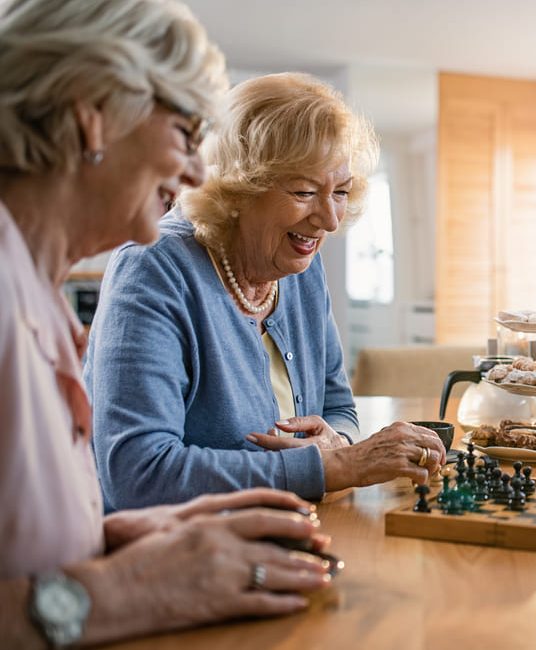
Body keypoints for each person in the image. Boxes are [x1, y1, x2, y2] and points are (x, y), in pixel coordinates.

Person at [0, 0, 335, 645]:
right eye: (185, 132)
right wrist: (123, 588)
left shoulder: (35, 291)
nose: (199, 173)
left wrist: (110, 539)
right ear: (92, 117)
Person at [85, 72, 446, 510]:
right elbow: (137, 474)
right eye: (305, 191)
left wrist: (339, 442)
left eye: (341, 192)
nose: (330, 220)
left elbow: (338, 406)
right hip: (174, 543)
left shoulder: (300, 268)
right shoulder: (154, 267)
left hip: (289, 527)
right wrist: (333, 466)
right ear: (238, 190)